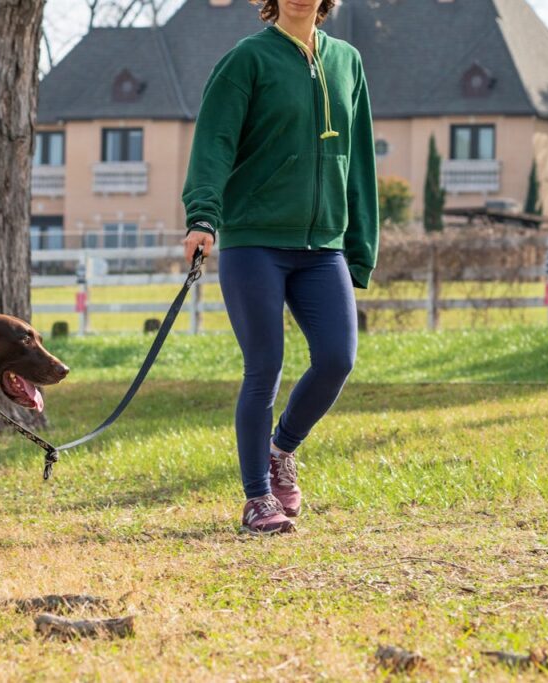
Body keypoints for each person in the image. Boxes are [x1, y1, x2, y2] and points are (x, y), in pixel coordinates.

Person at [181, 0, 379, 534]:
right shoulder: (248, 59)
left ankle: (281, 449)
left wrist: (359, 244)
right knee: (264, 366)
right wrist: (203, 216)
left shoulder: (347, 61)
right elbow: (214, 142)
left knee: (338, 357)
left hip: (323, 247)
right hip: (255, 242)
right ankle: (257, 499)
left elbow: (358, 156)